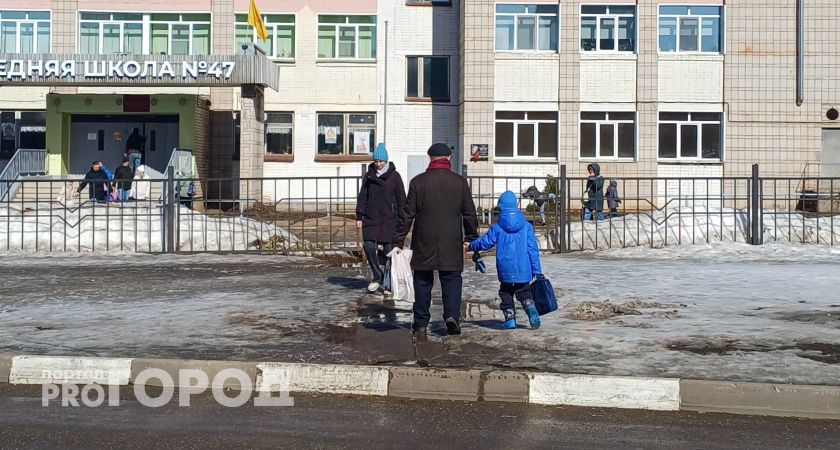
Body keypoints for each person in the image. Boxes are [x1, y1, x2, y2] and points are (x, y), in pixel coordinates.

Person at [393, 143, 479, 338]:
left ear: (430, 159)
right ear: (448, 158)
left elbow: (407, 214)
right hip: (451, 240)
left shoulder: (418, 182)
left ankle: (421, 323)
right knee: (451, 279)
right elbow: (469, 214)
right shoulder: (460, 182)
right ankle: (452, 317)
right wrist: (472, 238)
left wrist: (398, 240)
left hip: (424, 239)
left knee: (423, 281)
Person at [468, 191, 542, 330]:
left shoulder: (498, 227)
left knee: (506, 292)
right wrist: (537, 270)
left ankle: (510, 319)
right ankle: (530, 307)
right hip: (523, 268)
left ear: (501, 207)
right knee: (524, 291)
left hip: (505, 267)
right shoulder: (526, 227)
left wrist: (471, 246)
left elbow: (485, 242)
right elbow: (533, 250)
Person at [356, 143, 406, 295]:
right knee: (369, 246)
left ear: (386, 161)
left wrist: (402, 219)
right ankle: (377, 276)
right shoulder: (369, 176)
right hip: (371, 217)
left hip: (389, 218)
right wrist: (360, 215)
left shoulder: (394, 176)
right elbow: (362, 196)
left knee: (389, 251)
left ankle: (388, 283)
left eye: (381, 161)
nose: (378, 164)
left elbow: (401, 199)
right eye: (376, 161)